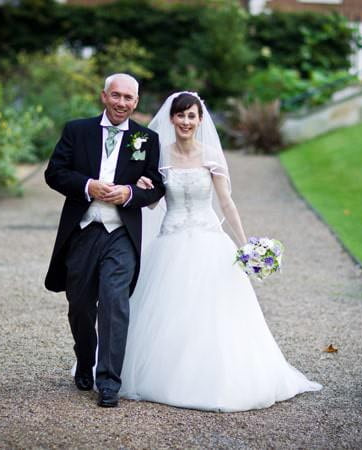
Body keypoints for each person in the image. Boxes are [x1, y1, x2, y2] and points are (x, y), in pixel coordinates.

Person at [119, 92, 322, 412]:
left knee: (216, 312)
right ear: (171, 119)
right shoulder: (160, 156)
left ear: (200, 121)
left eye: (192, 116)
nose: (186, 122)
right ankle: (166, 375)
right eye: (180, 115)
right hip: (170, 240)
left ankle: (215, 377)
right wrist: (143, 186)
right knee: (169, 310)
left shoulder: (211, 154)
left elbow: (226, 202)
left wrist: (245, 245)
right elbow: (156, 202)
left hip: (209, 239)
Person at [44, 74, 165, 408]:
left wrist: (129, 193)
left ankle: (109, 381)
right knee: (80, 306)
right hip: (83, 229)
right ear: (103, 96)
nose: (121, 103)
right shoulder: (77, 130)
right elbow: (54, 172)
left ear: (136, 102)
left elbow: (156, 185)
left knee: (115, 303)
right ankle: (85, 359)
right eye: (116, 96)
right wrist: (87, 186)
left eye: (129, 98)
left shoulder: (147, 138)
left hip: (121, 234)